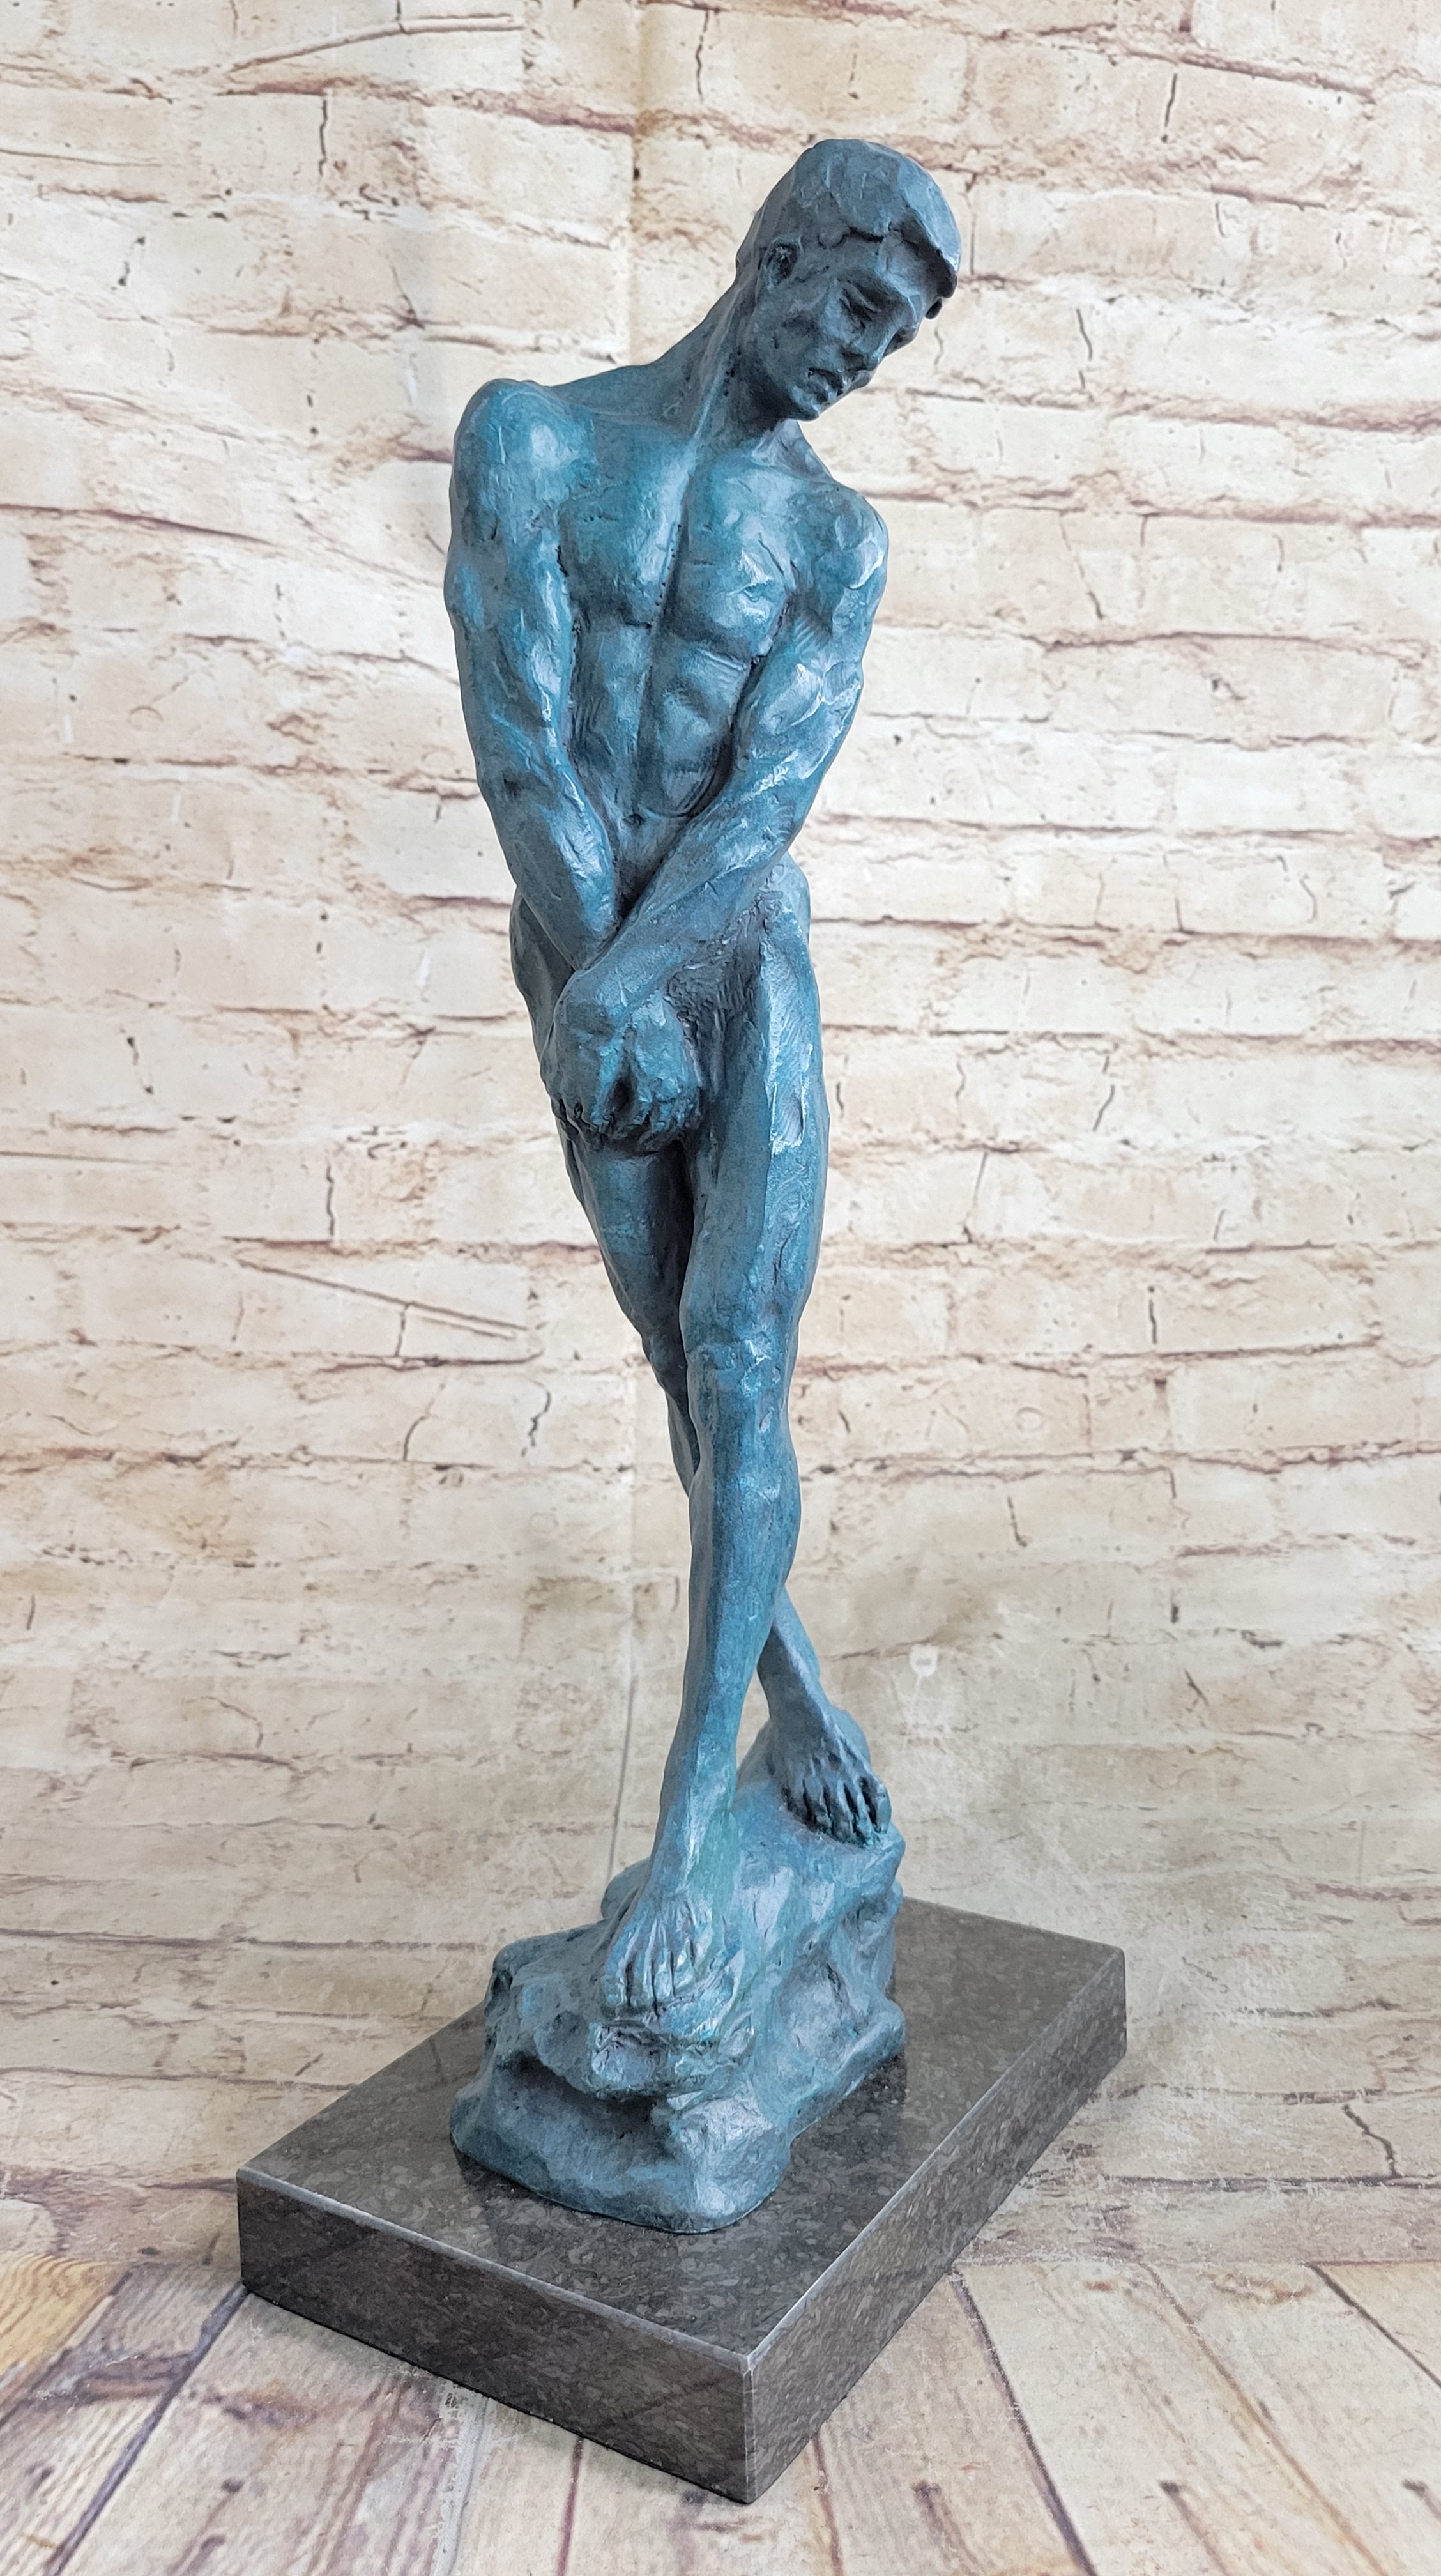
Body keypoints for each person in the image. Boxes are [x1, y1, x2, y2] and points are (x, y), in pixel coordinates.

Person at [446, 140, 959, 2017]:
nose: (858, 360)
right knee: (673, 1346)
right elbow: (520, 729)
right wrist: (600, 991)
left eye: (891, 345)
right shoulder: (530, 441)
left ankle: (686, 1829)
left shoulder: (837, 542)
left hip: (740, 958)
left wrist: (646, 986)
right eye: (853, 309)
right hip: (580, 945)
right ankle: (794, 1681)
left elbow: (765, 799)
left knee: (741, 1348)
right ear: (777, 251)